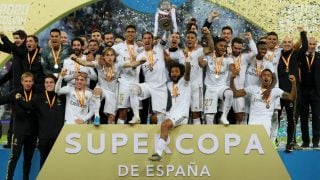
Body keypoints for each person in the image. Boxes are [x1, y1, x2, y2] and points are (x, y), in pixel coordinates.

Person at [71, 47, 146, 125]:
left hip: (113, 93)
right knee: (97, 91)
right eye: (107, 55)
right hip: (102, 88)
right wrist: (75, 59)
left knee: (111, 118)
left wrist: (141, 61)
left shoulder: (118, 65)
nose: (110, 57)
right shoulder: (99, 64)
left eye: (112, 55)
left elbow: (131, 64)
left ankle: (110, 134)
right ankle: (97, 116)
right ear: (103, 56)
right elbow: (86, 63)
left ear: (114, 57)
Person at [17, 75, 65, 168]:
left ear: (55, 84)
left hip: (58, 136)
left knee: (57, 164)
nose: (49, 84)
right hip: (44, 137)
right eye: (47, 82)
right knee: (43, 163)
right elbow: (27, 106)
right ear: (44, 84)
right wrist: (19, 98)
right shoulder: (39, 97)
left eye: (51, 82)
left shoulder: (62, 97)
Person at [231, 69, 296, 137]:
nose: (266, 77)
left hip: (266, 124)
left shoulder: (275, 91)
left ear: (271, 79)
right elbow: (235, 93)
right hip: (253, 123)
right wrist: (231, 80)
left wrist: (294, 84)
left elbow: (292, 97)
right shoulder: (252, 89)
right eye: (264, 75)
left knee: (263, 146)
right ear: (261, 77)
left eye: (268, 76)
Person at [148, 60, 191, 161]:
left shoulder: (185, 83)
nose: (174, 74)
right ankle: (159, 141)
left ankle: (158, 153)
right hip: (170, 113)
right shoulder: (168, 85)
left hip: (182, 115)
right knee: (153, 118)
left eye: (176, 71)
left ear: (181, 73)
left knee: (165, 125)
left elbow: (187, 73)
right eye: (172, 72)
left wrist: (188, 63)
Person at [0, 72, 37, 180]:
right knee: (14, 157)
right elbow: (2, 100)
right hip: (18, 131)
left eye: (30, 81)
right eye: (26, 81)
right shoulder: (15, 93)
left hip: (32, 133)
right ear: (22, 82)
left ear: (33, 82)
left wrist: (19, 99)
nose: (28, 83)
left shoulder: (36, 94)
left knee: (28, 159)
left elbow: (30, 107)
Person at [277, 26, 307, 152]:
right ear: (281, 44)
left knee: (291, 118)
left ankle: (290, 142)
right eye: (285, 42)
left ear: (292, 44)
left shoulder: (296, 54)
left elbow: (305, 47)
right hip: (278, 92)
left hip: (292, 92)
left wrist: (302, 33)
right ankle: (273, 140)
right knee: (276, 118)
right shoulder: (277, 55)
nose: (288, 44)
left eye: (290, 42)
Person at [0, 30, 27, 149]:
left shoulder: (24, 51)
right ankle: (11, 141)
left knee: (18, 116)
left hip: (22, 89)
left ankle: (18, 141)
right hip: (15, 88)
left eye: (17, 38)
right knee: (13, 115)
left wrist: (4, 37)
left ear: (24, 39)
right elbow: (10, 73)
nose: (15, 40)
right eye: (14, 38)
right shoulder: (16, 52)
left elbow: (11, 47)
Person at [199, 38, 234, 125]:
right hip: (210, 89)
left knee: (229, 93)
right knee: (209, 117)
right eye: (221, 45)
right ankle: (209, 134)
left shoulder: (228, 59)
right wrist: (202, 55)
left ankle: (224, 116)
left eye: (225, 46)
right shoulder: (209, 57)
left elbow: (232, 67)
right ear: (215, 46)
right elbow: (202, 64)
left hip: (221, 87)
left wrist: (234, 70)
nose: (223, 48)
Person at [112, 25, 142, 124]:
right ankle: (118, 133)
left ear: (135, 34)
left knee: (135, 112)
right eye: (128, 31)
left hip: (136, 82)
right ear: (125, 33)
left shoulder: (140, 48)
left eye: (132, 31)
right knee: (123, 110)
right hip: (123, 81)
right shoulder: (118, 46)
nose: (130, 33)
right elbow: (107, 54)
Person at [229, 33, 257, 124]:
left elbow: (255, 52)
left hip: (239, 90)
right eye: (235, 48)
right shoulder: (226, 57)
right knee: (223, 115)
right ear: (231, 46)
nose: (237, 50)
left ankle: (239, 135)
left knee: (240, 117)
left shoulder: (244, 57)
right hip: (226, 89)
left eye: (239, 48)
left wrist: (250, 39)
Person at [299, 37, 320, 149]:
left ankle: (316, 141)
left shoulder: (319, 56)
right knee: (303, 117)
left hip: (316, 92)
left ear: (316, 44)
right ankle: (305, 141)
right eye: (310, 44)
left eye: (313, 44)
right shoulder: (301, 56)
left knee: (317, 117)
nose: (311, 46)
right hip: (303, 91)